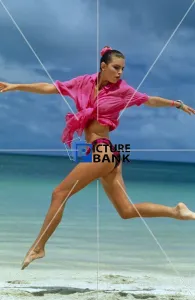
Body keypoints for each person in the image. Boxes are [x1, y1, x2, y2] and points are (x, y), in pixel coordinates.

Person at [1, 46, 195, 270]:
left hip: (103, 151)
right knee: (126, 211)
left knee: (59, 193)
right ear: (103, 66)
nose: (120, 72)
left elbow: (149, 100)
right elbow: (51, 87)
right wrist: (16, 86)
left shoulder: (122, 90)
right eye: (116, 67)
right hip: (105, 153)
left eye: (122, 69)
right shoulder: (83, 82)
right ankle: (176, 211)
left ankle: (39, 247)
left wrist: (176, 104)